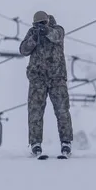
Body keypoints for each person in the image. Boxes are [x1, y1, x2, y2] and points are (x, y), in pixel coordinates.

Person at [19, 11, 73, 157]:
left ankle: (66, 142)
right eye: (38, 24)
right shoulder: (32, 33)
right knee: (35, 112)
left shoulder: (58, 29)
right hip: (38, 79)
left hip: (57, 79)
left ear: (48, 21)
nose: (40, 26)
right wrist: (34, 39)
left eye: (43, 23)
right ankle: (35, 144)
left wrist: (47, 30)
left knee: (62, 111)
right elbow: (23, 50)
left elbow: (57, 37)